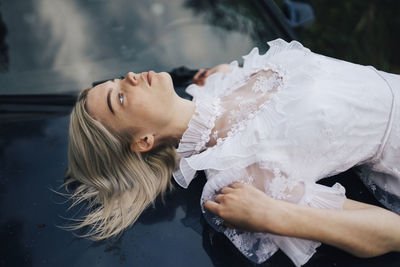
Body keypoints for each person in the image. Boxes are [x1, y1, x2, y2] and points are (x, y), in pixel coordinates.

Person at [65, 39, 400, 266]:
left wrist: (223, 76)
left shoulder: (218, 84)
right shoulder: (238, 172)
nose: (131, 77)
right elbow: (391, 232)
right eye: (119, 98)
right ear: (143, 142)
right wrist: (277, 216)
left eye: (118, 79)